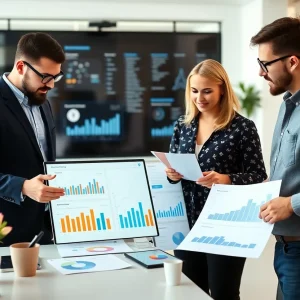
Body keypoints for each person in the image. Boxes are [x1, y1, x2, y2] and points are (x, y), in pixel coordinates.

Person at [165, 59, 267, 300]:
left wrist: (226, 178)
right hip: (187, 223)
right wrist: (171, 175)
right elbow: (173, 169)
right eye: (194, 91)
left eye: (207, 91)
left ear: (223, 89)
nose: (199, 98)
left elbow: (258, 174)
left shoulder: (243, 128)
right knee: (191, 292)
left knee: (224, 293)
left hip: (225, 224)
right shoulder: (183, 125)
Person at [0, 32, 66, 246]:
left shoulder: (43, 101)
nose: (52, 85)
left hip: (44, 229)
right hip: (7, 231)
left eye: (56, 77)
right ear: (21, 67)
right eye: (45, 76)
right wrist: (23, 186)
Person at [251, 17, 300, 300]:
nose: (260, 73)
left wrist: (291, 204)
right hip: (285, 249)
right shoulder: (287, 106)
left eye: (264, 64)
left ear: (292, 62)